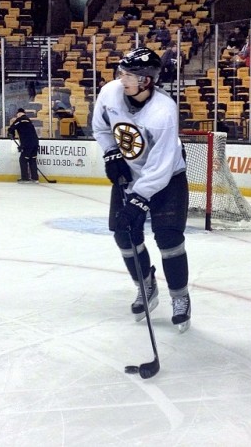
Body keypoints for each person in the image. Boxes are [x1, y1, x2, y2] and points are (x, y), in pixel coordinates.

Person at [92, 47, 191, 332]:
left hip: (168, 178)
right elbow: (101, 127)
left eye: (128, 75)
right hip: (129, 174)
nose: (121, 78)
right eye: (121, 72)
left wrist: (140, 199)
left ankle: (180, 297)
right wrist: (111, 152)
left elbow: (161, 166)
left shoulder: (164, 111)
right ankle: (146, 285)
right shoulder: (110, 93)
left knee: (169, 239)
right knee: (123, 233)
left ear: (146, 81)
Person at [7, 107, 40, 183]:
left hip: (27, 143)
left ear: (18, 114)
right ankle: (35, 178)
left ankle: (25, 178)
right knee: (32, 159)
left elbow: (11, 128)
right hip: (35, 143)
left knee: (23, 159)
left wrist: (10, 134)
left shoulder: (19, 120)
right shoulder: (29, 120)